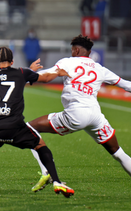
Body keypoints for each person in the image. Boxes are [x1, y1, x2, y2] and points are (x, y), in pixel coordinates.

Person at [0, 46, 75, 199]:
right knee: (40, 145)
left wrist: (28, 71)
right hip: (12, 126)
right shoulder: (21, 73)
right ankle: (57, 181)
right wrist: (58, 72)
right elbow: (45, 78)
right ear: (12, 61)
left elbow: (8, 78)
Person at [28, 35, 131, 192]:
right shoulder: (100, 68)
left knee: (29, 128)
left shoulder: (68, 62)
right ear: (89, 52)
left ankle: (46, 171)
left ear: (76, 50)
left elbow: (46, 76)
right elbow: (125, 84)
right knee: (118, 153)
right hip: (96, 116)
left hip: (75, 115)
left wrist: (28, 74)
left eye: (72, 50)